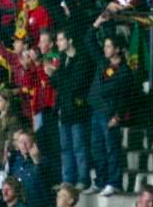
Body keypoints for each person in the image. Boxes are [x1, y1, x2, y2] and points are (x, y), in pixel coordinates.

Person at [84, 14, 132, 197]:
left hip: (110, 114)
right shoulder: (103, 62)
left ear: (118, 49)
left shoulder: (125, 72)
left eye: (109, 46)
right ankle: (101, 181)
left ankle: (114, 182)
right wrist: (97, 23)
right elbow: (89, 40)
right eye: (105, 46)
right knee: (97, 149)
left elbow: (125, 97)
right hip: (96, 110)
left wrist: (118, 116)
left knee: (111, 149)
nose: (105, 49)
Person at [48, 29, 92, 191]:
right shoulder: (63, 59)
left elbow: (75, 84)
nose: (57, 43)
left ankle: (82, 179)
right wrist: (53, 75)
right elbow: (57, 84)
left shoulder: (81, 59)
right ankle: (68, 179)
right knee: (65, 148)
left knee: (79, 147)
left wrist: (57, 76)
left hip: (77, 110)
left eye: (60, 39)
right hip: (63, 110)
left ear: (70, 40)